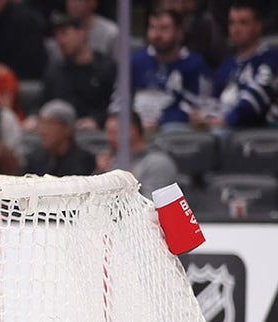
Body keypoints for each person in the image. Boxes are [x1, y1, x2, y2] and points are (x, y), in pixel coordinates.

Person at [193, 1, 278, 130]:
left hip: (251, 131)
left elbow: (254, 100)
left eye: (243, 23)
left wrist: (225, 121)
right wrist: (201, 115)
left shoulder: (269, 58)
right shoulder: (227, 65)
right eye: (232, 22)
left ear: (258, 26)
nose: (236, 29)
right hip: (221, 125)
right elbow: (211, 98)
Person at [125, 8, 213, 131]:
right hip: (137, 126)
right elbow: (120, 100)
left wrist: (161, 122)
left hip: (174, 129)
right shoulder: (135, 60)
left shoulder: (194, 64)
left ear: (179, 33)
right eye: (152, 28)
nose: (157, 35)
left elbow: (198, 107)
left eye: (164, 29)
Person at [39, 12, 116, 130]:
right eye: (56, 35)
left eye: (65, 33)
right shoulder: (55, 70)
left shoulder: (106, 68)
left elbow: (116, 106)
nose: (60, 40)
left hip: (98, 133)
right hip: (61, 133)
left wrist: (98, 120)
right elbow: (43, 103)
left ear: (82, 33)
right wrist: (35, 117)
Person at [96, 112, 181, 198]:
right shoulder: (111, 163)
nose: (108, 138)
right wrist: (101, 174)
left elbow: (151, 206)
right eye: (107, 132)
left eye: (113, 133)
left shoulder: (158, 163)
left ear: (132, 131)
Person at [24, 99, 97, 177]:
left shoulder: (83, 161)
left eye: (49, 124)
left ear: (67, 128)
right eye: (41, 124)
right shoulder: (35, 159)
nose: (43, 131)